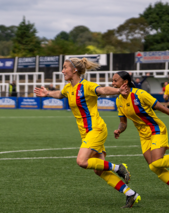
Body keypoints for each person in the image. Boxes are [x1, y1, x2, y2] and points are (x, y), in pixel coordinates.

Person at [34, 58, 141, 208]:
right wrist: (47, 93)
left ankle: (118, 168)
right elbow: (59, 94)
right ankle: (131, 194)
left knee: (82, 162)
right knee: (99, 170)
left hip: (96, 129)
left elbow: (103, 90)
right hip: (86, 133)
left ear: (74, 70)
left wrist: (118, 90)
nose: (63, 70)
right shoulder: (68, 88)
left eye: (65, 68)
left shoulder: (86, 86)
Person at [112, 71, 169, 202]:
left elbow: (161, 107)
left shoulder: (140, 94)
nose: (113, 83)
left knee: (157, 162)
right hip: (143, 135)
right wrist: (119, 130)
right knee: (153, 167)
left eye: (115, 80)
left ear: (125, 82)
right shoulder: (118, 100)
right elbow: (123, 122)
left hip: (156, 129)